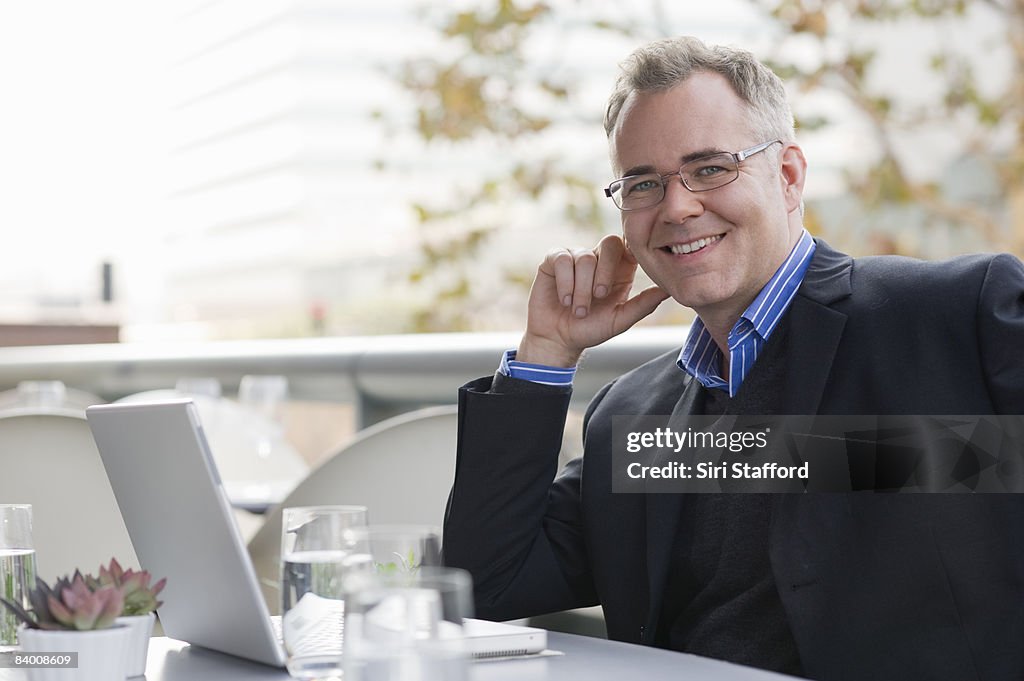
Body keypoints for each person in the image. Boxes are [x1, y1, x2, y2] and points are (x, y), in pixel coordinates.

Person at [442, 36, 1024, 680]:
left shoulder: (953, 318)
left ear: (789, 176)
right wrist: (545, 357)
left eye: (711, 168)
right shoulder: (634, 417)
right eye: (643, 183)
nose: (678, 206)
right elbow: (488, 586)